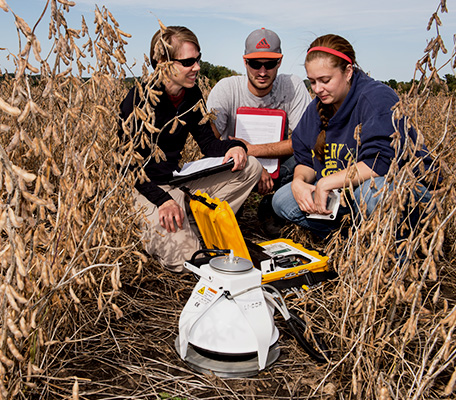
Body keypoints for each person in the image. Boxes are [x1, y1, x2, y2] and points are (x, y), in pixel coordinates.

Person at [118, 26, 263, 272]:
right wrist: (162, 200)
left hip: (177, 183)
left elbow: (208, 144)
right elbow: (127, 168)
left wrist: (237, 146)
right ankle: (170, 227)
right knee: (190, 261)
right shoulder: (137, 101)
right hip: (146, 192)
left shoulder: (191, 93)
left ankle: (191, 222)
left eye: (198, 60)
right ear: (162, 63)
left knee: (251, 166)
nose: (196, 67)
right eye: (187, 62)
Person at [272, 34, 436, 238]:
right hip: (343, 192)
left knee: (371, 192)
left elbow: (382, 163)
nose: (317, 89)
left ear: (348, 71)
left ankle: (399, 249)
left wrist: (325, 183)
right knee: (283, 200)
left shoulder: (376, 97)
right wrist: (298, 182)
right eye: (312, 82)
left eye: (325, 80)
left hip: (402, 190)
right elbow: (306, 158)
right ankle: (350, 239)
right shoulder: (317, 107)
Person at [206, 28, 311, 235]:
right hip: (237, 167)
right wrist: (252, 165)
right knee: (224, 230)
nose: (262, 72)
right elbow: (209, 143)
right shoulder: (227, 88)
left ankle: (272, 207)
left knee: (307, 160)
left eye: (270, 64)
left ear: (279, 62)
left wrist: (252, 150)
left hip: (279, 168)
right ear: (245, 62)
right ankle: (235, 204)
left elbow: (305, 141)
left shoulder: (293, 86)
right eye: (255, 64)